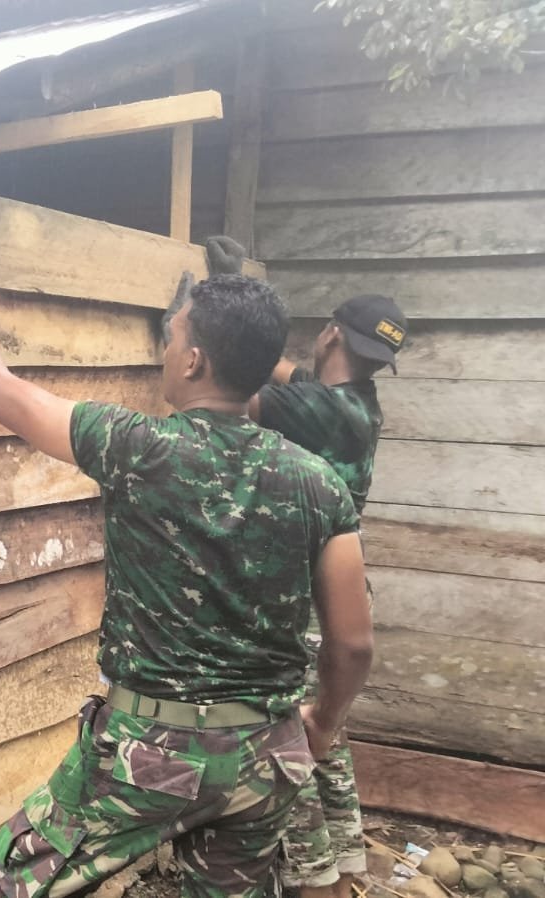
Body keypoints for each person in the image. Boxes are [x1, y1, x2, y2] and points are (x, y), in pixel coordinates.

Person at [0, 225, 376, 898]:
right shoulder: (319, 482)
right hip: (266, 756)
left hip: (151, 754)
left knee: (18, 879)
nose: (165, 351)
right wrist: (323, 722)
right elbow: (354, 642)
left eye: (171, 338)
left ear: (192, 362)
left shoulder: (136, 447)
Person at [218, 240, 407, 898]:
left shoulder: (318, 411)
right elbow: (284, 371)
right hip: (335, 591)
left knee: (286, 739)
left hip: (301, 601)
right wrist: (237, 289)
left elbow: (229, 392)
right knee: (326, 733)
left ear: (330, 332)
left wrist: (215, 322)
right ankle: (347, 866)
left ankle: (313, 879)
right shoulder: (353, 402)